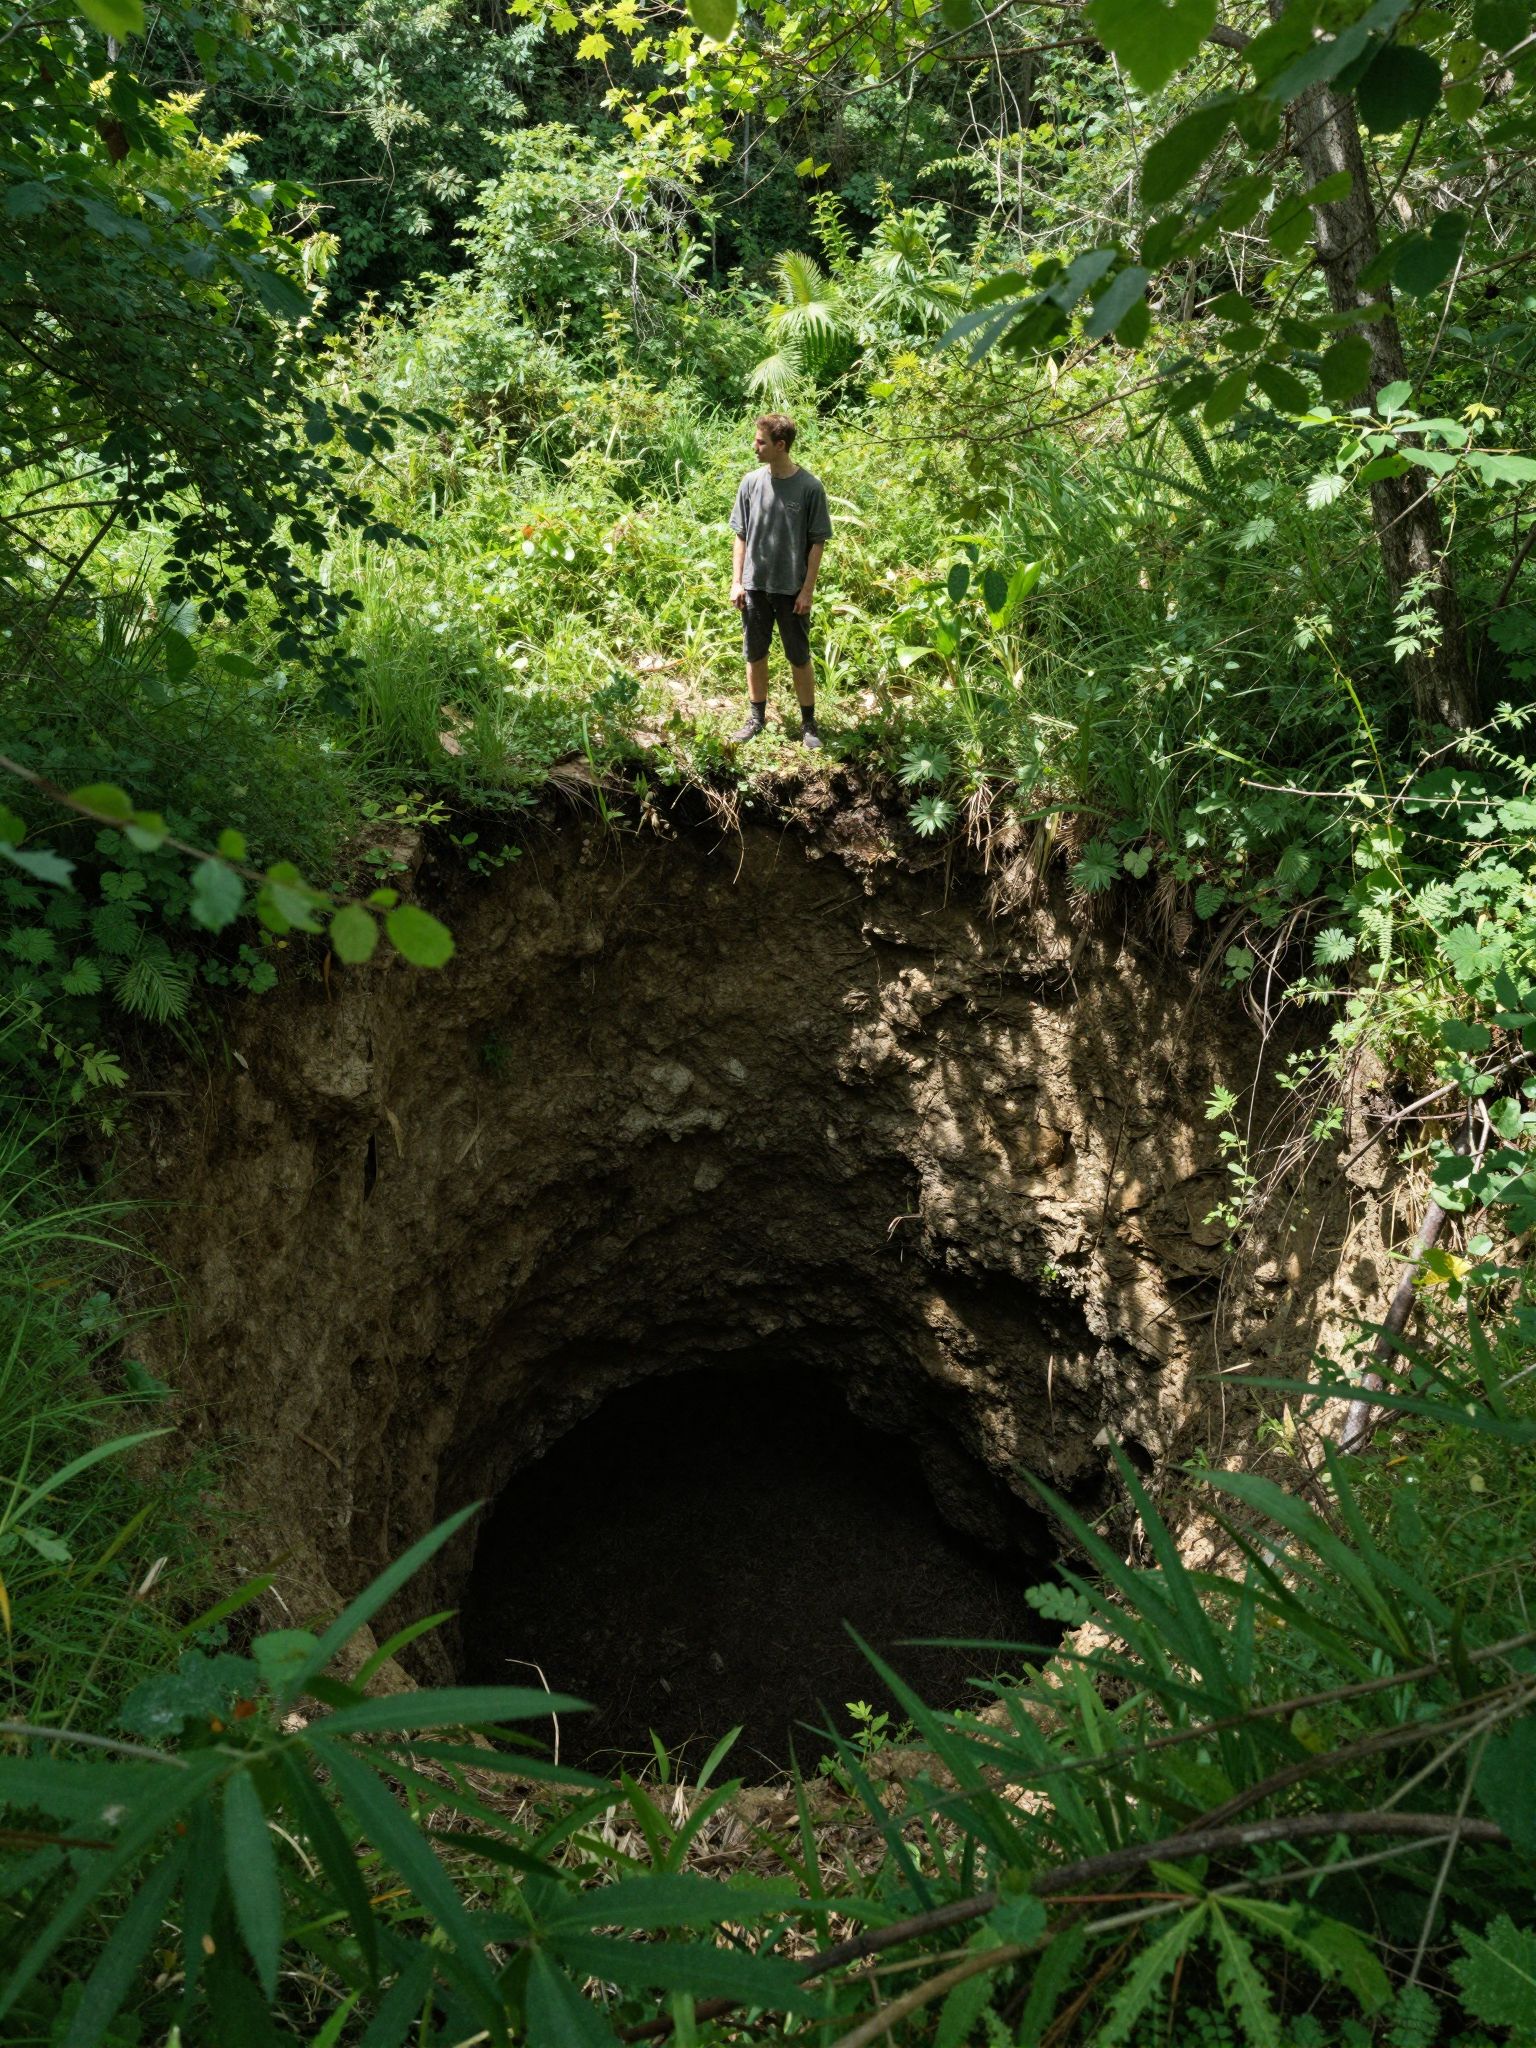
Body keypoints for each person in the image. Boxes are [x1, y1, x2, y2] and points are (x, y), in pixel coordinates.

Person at [728, 412, 832, 749]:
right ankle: (756, 718)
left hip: (791, 590)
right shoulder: (750, 482)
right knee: (755, 653)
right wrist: (737, 581)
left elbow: (817, 542)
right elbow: (741, 535)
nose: (754, 446)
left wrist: (807, 591)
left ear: (781, 445)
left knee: (798, 656)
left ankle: (809, 724)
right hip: (755, 586)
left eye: (761, 442)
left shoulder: (810, 488)